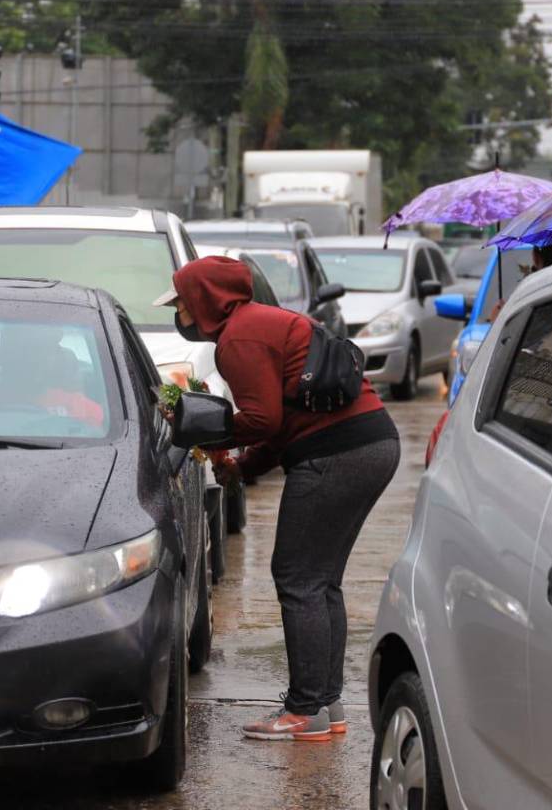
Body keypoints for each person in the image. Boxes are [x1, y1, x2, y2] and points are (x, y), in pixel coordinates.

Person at [154, 256, 400, 742]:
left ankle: (305, 710)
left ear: (204, 300)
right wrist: (242, 468)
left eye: (180, 304)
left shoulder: (238, 339)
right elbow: (282, 423)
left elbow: (262, 419)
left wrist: (201, 427)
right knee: (320, 580)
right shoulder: (264, 322)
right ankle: (325, 704)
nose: (178, 315)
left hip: (336, 453)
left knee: (298, 577)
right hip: (372, 444)